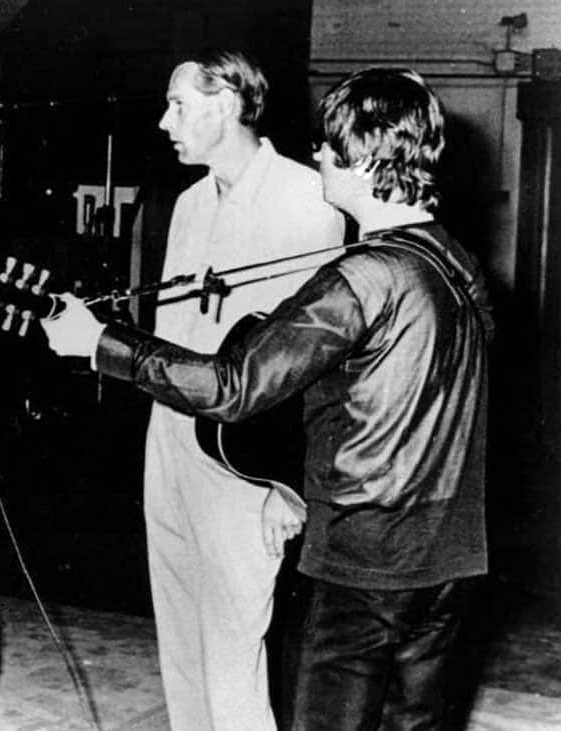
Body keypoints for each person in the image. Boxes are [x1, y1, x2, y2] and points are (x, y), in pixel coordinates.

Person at [42, 66, 491, 730]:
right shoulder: (457, 263)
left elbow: (232, 385)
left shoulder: (361, 277)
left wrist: (100, 343)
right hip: (447, 562)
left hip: (361, 567)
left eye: (331, 146)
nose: (318, 156)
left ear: (365, 160)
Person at [120, 50, 348, 730]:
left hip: (244, 459)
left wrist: (286, 485)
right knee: (181, 641)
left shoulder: (306, 200)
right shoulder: (188, 202)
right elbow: (171, 337)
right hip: (170, 439)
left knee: (233, 649)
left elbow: (312, 364)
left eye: (178, 105)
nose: (165, 121)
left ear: (224, 106)